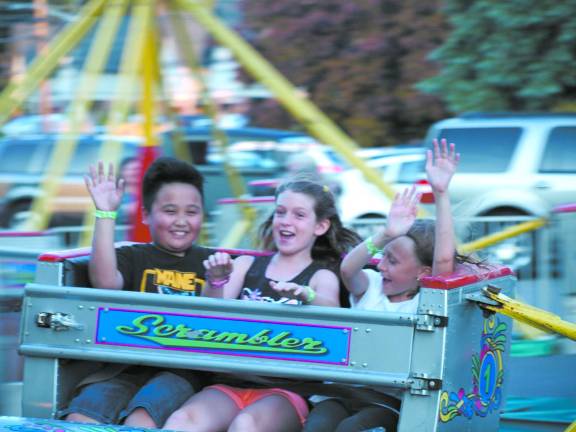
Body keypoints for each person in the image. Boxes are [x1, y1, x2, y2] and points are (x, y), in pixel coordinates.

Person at [163, 178, 361, 432]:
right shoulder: (246, 265)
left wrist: (306, 296)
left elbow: (331, 311)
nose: (286, 221)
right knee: (182, 422)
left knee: (245, 426)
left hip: (286, 390)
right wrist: (215, 280)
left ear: (320, 226)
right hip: (231, 383)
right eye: (280, 212)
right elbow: (209, 314)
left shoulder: (320, 276)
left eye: (299, 215)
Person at [303, 139, 465, 432]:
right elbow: (348, 267)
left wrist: (441, 193)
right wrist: (386, 234)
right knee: (316, 426)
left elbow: (443, 259)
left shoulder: (425, 299)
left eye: (394, 261)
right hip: (342, 391)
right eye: (383, 257)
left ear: (422, 273)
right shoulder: (372, 285)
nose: (382, 265)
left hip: (384, 399)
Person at [59, 157, 214, 428]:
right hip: (125, 367)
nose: (181, 221)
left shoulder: (211, 263)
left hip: (180, 372)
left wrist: (218, 279)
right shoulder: (134, 256)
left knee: (141, 420)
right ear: (146, 215)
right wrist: (106, 212)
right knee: (81, 418)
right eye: (169, 211)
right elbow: (105, 282)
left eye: (191, 212)